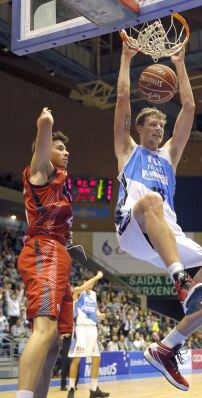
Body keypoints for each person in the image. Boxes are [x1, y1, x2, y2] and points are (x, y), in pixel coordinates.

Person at [113, 42, 202, 391]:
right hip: (134, 226)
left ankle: (167, 347)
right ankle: (180, 282)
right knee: (150, 201)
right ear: (140, 128)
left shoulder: (170, 155)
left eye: (160, 126)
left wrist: (180, 64)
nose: (158, 130)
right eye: (152, 125)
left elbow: (190, 107)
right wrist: (125, 59)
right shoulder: (127, 150)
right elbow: (122, 99)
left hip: (168, 235)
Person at [16, 107, 73, 398]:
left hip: (59, 254)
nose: (66, 153)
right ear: (45, 149)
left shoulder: (61, 183)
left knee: (55, 343)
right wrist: (45, 125)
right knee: (45, 330)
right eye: (59, 147)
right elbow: (42, 145)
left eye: (66, 149)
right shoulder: (39, 175)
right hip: (44, 250)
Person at [67, 272, 109, 398]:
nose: (91, 284)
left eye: (93, 283)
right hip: (81, 330)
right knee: (77, 359)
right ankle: (71, 388)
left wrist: (100, 315)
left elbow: (95, 311)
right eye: (90, 282)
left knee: (96, 358)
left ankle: (94, 389)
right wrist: (96, 277)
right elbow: (82, 287)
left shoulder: (94, 295)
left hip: (92, 329)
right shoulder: (77, 292)